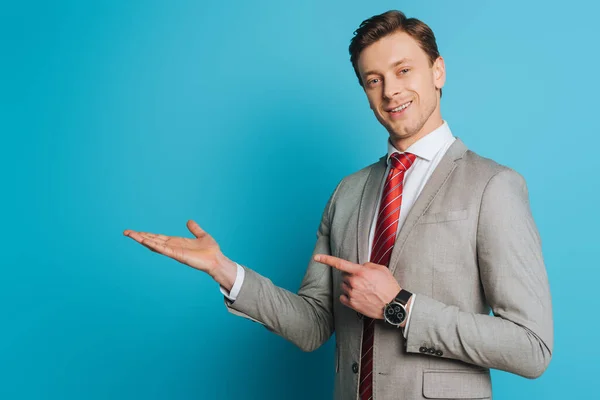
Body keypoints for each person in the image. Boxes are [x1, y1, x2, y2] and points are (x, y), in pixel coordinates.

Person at [124, 10, 553, 400]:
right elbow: (313, 325)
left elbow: (531, 347)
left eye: (404, 70)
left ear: (437, 71)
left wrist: (399, 305)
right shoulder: (348, 192)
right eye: (373, 79)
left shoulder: (493, 185)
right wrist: (225, 270)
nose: (391, 91)